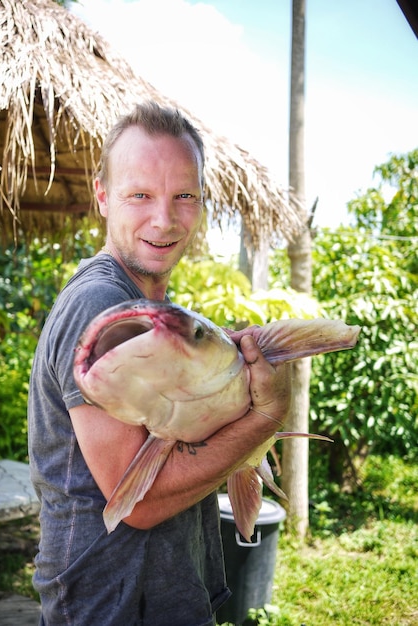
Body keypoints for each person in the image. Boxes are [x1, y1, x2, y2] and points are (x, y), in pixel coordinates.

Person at [28, 100, 291, 625]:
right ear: (103, 196)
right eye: (140, 195)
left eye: (184, 196)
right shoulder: (101, 305)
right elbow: (139, 504)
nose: (165, 219)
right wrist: (264, 419)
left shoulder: (151, 306)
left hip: (159, 595)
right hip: (110, 605)